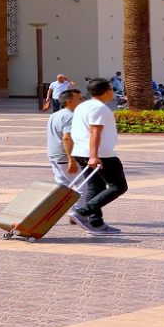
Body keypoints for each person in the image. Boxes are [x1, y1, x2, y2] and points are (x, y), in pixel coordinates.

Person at [70, 78, 128, 235]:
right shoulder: (99, 108)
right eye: (112, 89)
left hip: (81, 152)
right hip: (101, 155)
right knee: (119, 186)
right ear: (108, 90)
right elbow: (95, 132)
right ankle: (82, 212)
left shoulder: (83, 106)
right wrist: (94, 156)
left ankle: (95, 223)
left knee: (96, 186)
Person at [46, 88, 88, 222]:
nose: (83, 100)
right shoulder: (70, 116)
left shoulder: (56, 115)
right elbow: (67, 138)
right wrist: (71, 159)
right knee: (82, 185)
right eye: (79, 98)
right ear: (70, 101)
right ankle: (77, 214)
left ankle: (48, 213)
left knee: (63, 187)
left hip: (54, 156)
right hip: (64, 157)